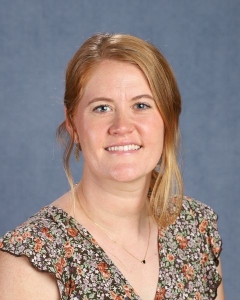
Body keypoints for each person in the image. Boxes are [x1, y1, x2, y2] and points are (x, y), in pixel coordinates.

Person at [0, 33, 225, 300]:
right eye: (102, 108)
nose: (122, 127)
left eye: (141, 105)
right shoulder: (30, 260)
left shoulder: (194, 227)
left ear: (169, 120)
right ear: (73, 124)